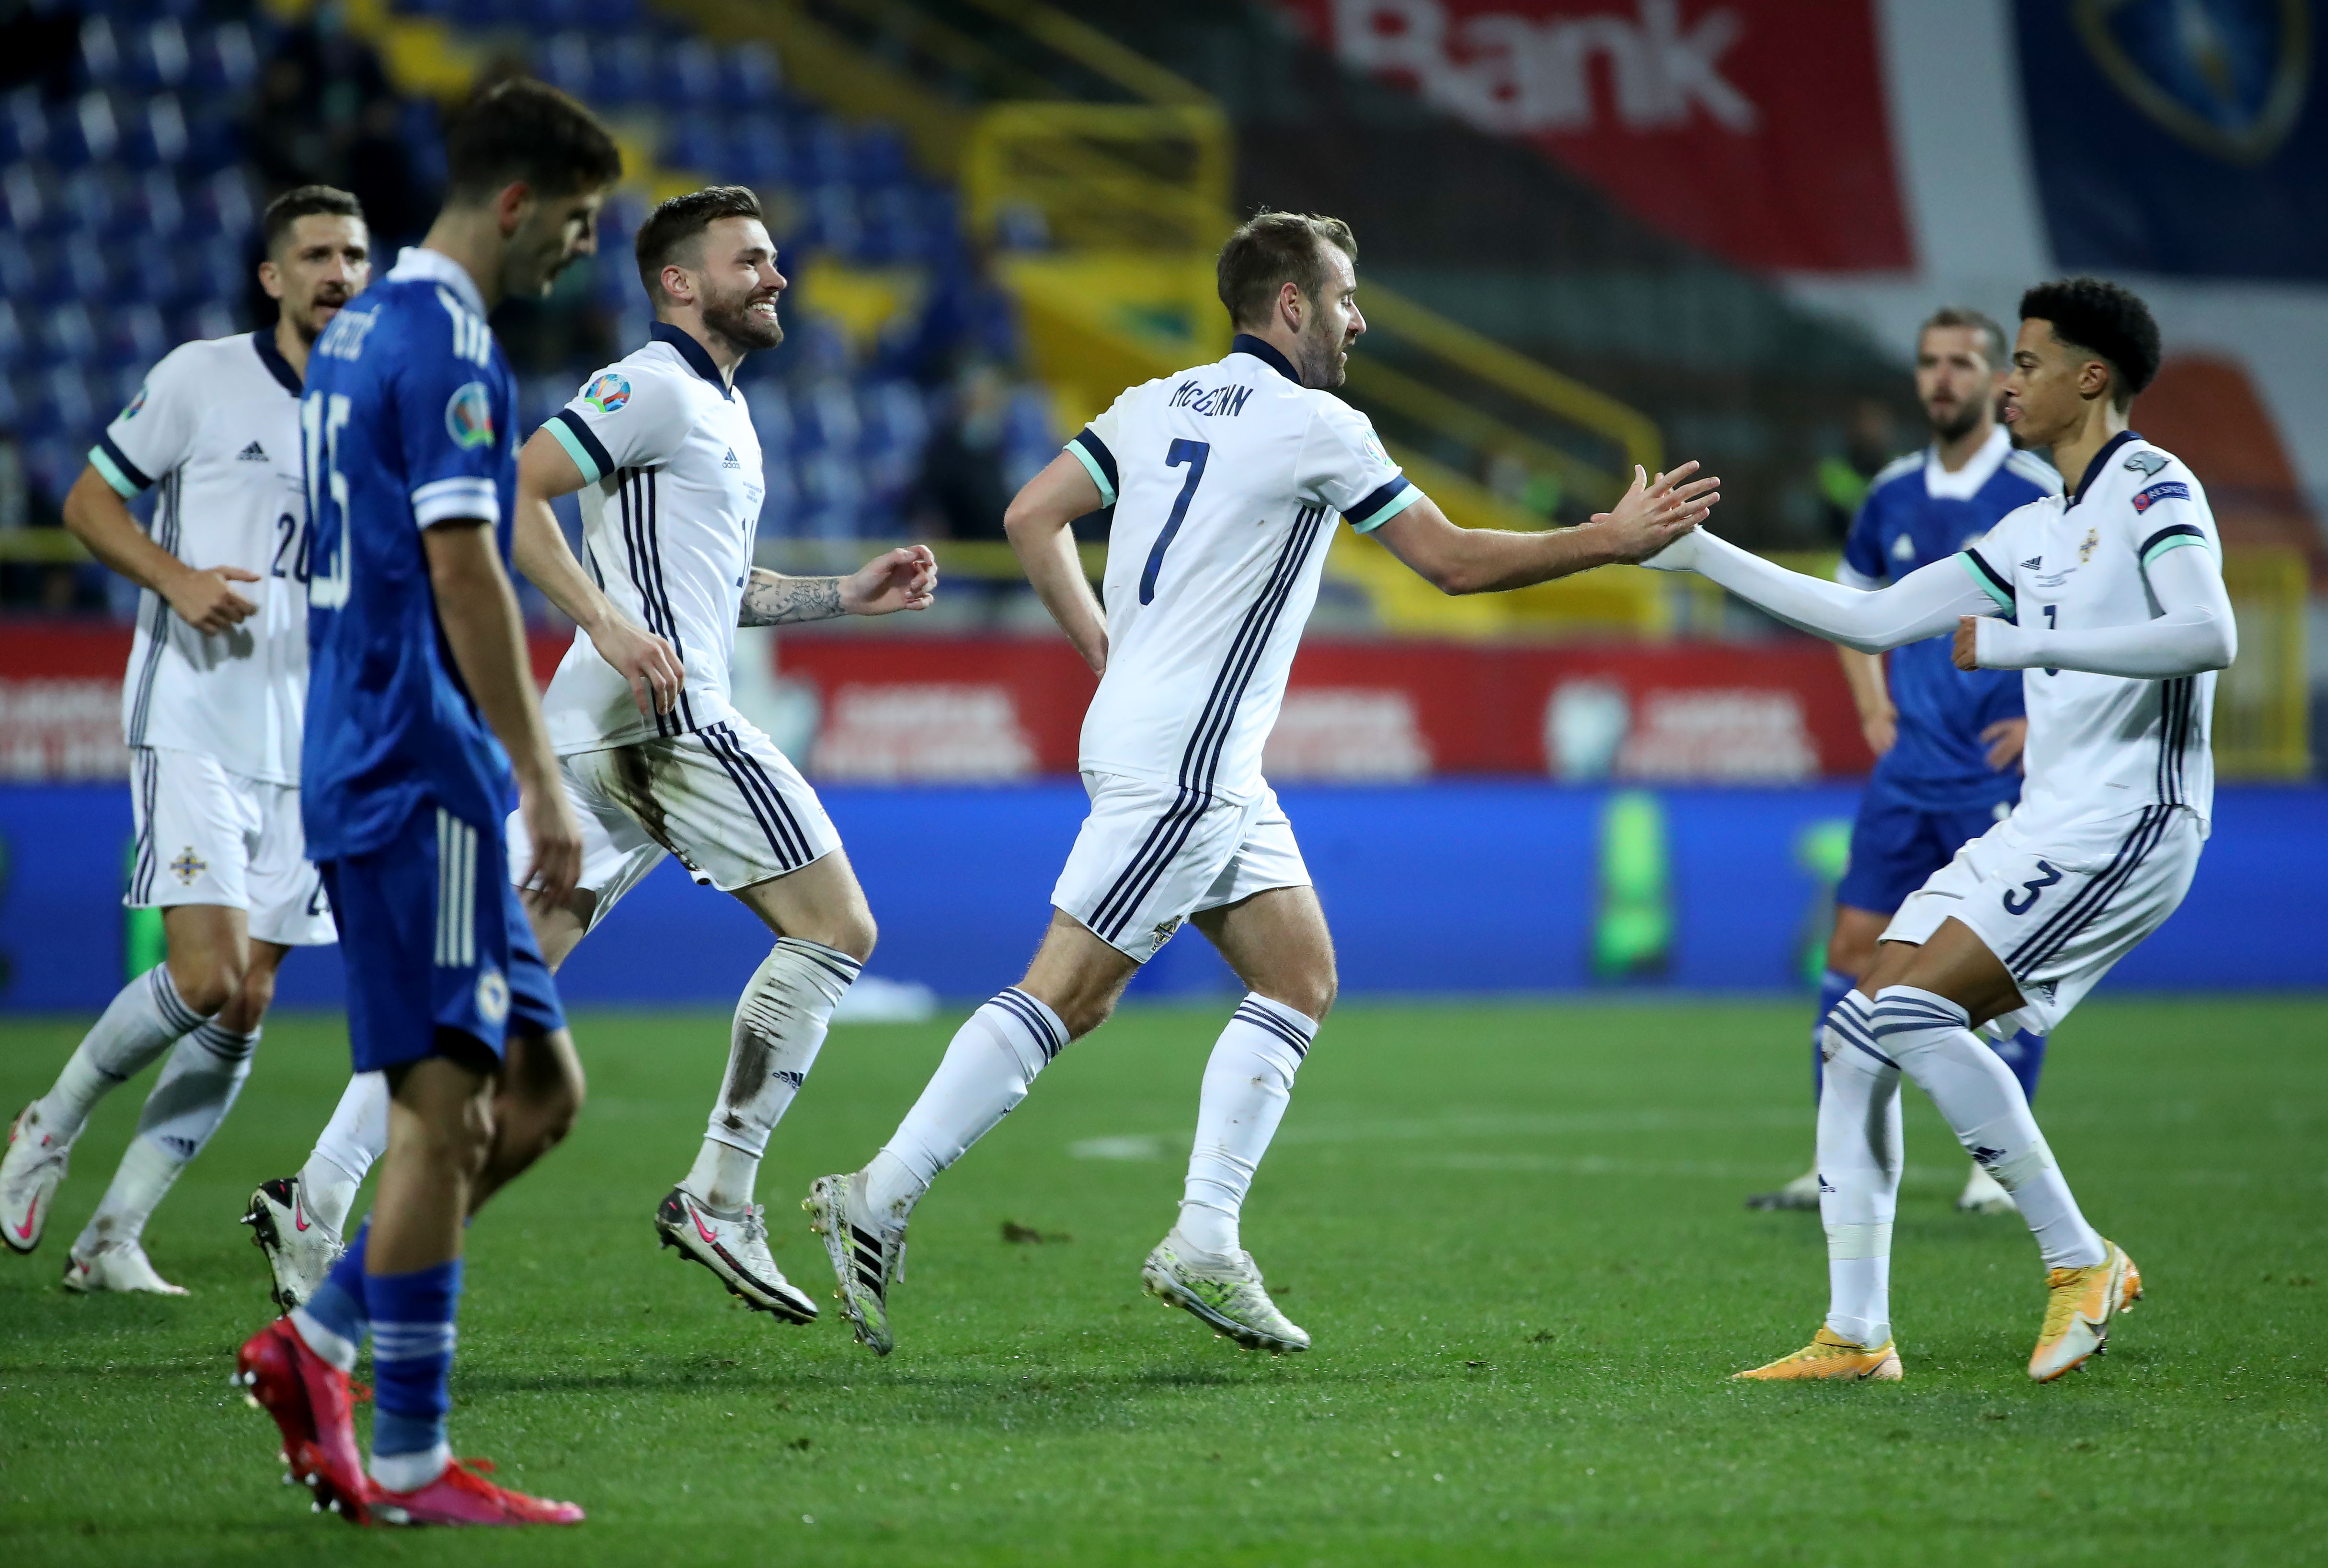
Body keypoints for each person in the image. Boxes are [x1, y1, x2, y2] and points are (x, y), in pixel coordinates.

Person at [803, 210, 1717, 1358]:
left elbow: (1030, 516)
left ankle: (1205, 1238)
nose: (1358, 319)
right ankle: (878, 1193)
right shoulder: (1318, 425)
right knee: (1070, 992)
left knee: (1298, 976)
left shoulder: (1153, 401)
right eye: (1345, 297)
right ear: (1293, 304)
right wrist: (1607, 538)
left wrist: (1105, 645)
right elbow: (1446, 561)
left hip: (1186, 749)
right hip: (1187, 758)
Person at [245, 186, 939, 1322]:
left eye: (773, 259)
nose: (776, 276)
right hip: (663, 718)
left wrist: (843, 596)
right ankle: (720, 1192)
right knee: (838, 928)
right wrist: (609, 624)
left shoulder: (722, 410)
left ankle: (314, 1198)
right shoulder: (651, 384)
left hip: (599, 729)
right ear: (680, 281)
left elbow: (711, 593)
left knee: (490, 985)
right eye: (750, 261)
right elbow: (515, 486)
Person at [1647, 278, 2230, 1383]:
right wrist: (1702, 556)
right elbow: (1871, 617)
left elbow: (2208, 631)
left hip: (2133, 821)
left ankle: (2081, 1259)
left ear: (2090, 378)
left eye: (2028, 362)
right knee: (1856, 1032)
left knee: (1912, 1010)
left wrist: (2024, 647)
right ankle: (1857, 1333)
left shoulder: (2153, 485)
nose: (2010, 381)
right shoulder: (2032, 529)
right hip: (2045, 821)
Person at [230, 79, 621, 1527]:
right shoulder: (450, 342)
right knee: (442, 1114)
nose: (581, 247)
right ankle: (407, 1453)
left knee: (542, 1092)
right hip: (411, 765)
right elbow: (465, 567)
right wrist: (540, 777)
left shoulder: (356, 333)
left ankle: (319, 1338)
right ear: (516, 203)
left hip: (385, 751)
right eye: (575, 219)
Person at [0, 187, 369, 1293]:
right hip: (196, 715)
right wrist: (175, 578)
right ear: (273, 276)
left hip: (312, 743)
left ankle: (113, 1236)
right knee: (206, 975)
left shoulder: (376, 410)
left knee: (249, 995)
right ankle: (49, 1125)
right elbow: (88, 501)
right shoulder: (200, 377)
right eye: (316, 254)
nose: (338, 272)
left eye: (355, 255)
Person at [1749, 308, 2062, 1217]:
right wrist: (1871, 701)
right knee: (1852, 950)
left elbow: (2090, 611)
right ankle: (1835, 1161)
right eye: (1929, 362)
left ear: (1997, 379)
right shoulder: (1889, 492)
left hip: (1994, 774)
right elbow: (1850, 602)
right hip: (1907, 773)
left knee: (2000, 966)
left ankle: (1996, 1168)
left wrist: (2045, 717)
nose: (1942, 378)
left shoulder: (2038, 490)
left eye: (1961, 363)